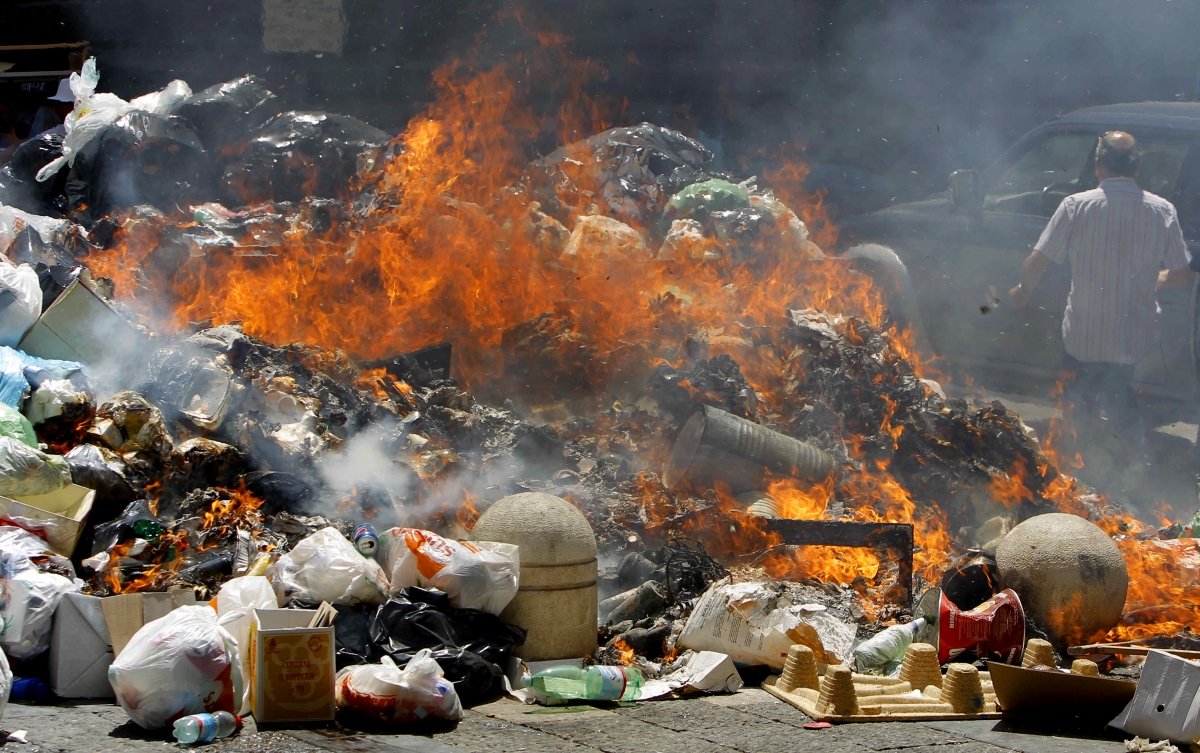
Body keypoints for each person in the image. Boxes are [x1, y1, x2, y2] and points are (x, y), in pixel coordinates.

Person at [1008, 131, 1192, 453]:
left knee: (1079, 402)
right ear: (1136, 169)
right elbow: (1182, 274)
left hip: (1083, 335)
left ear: (1097, 165)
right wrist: (1149, 280)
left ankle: (1082, 462)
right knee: (1119, 391)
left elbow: (1034, 263)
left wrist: (1022, 292)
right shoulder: (1162, 211)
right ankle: (1130, 460)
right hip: (1132, 337)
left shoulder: (1075, 206)